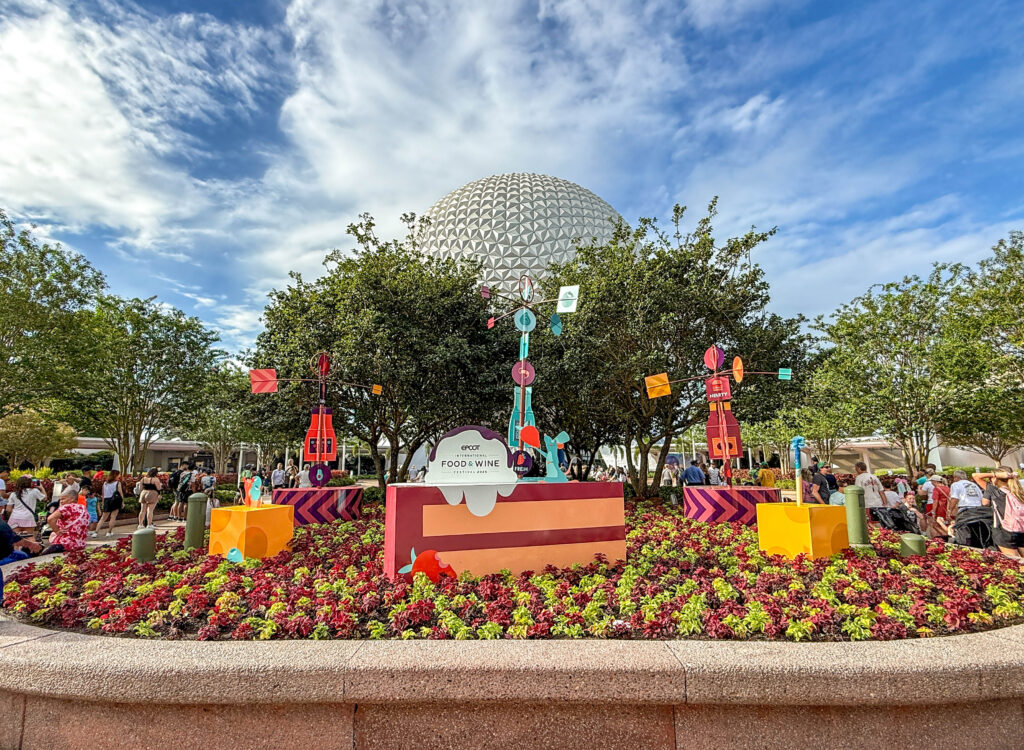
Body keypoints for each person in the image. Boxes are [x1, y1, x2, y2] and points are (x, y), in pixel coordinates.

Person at [973, 467, 1024, 558]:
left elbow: (975, 476)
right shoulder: (1019, 491)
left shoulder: (994, 490)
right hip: (1021, 529)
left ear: (996, 478)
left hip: (1004, 531)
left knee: (1017, 563)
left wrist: (994, 474)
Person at [948, 470, 992, 549]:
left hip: (965, 510)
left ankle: (965, 547)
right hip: (978, 510)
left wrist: (949, 511)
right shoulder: (973, 484)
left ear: (956, 477)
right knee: (976, 531)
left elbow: (954, 498)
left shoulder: (956, 484)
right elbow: (981, 498)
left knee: (964, 532)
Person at [43, 488, 89, 555]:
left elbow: (50, 519)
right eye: (60, 499)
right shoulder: (83, 508)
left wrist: (57, 531)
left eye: (63, 499)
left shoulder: (67, 507)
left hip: (65, 544)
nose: (61, 501)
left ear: (72, 498)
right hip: (80, 544)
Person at [96, 469, 126, 538]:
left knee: (103, 518)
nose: (119, 476)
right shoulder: (117, 483)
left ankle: (96, 531)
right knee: (113, 517)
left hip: (107, 500)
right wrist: (122, 502)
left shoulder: (105, 483)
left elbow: (103, 494)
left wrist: (103, 502)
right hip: (115, 500)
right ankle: (109, 532)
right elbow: (120, 493)